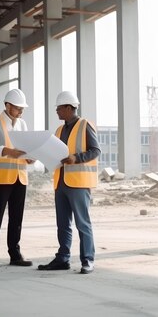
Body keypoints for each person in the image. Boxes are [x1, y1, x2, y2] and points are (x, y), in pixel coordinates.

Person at [38, 90, 100, 274]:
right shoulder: (59, 130)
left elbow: (95, 150)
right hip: (61, 182)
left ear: (68, 107)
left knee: (82, 222)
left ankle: (87, 260)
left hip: (79, 183)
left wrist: (76, 158)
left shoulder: (85, 125)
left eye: (59, 108)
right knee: (63, 223)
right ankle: (63, 258)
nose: (57, 111)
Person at [0, 89, 33, 268]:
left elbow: (27, 148)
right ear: (7, 105)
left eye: (22, 109)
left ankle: (15, 254)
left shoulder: (23, 124)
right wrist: (10, 151)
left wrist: (30, 156)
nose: (21, 111)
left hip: (20, 177)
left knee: (16, 218)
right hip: (0, 178)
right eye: (18, 108)